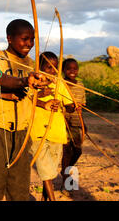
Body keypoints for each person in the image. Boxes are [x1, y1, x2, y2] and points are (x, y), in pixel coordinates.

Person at [0, 19, 50, 201]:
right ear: (9, 38)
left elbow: (29, 97)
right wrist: (5, 96)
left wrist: (42, 93)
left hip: (22, 133)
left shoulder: (33, 65)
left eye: (32, 39)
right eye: (24, 39)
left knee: (19, 189)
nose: (29, 44)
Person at [30, 52, 76, 201]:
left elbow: (68, 106)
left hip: (56, 132)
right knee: (45, 171)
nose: (52, 71)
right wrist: (42, 96)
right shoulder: (32, 81)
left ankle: (45, 199)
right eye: (48, 67)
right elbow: (26, 98)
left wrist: (73, 107)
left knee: (49, 171)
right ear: (39, 66)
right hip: (38, 132)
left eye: (55, 68)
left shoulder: (59, 83)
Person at [60, 58, 86, 197]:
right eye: (69, 68)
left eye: (75, 68)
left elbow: (81, 107)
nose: (72, 71)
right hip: (63, 123)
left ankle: (65, 171)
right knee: (66, 152)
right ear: (63, 70)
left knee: (77, 151)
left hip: (76, 123)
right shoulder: (61, 84)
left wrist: (83, 124)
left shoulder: (81, 85)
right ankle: (67, 183)